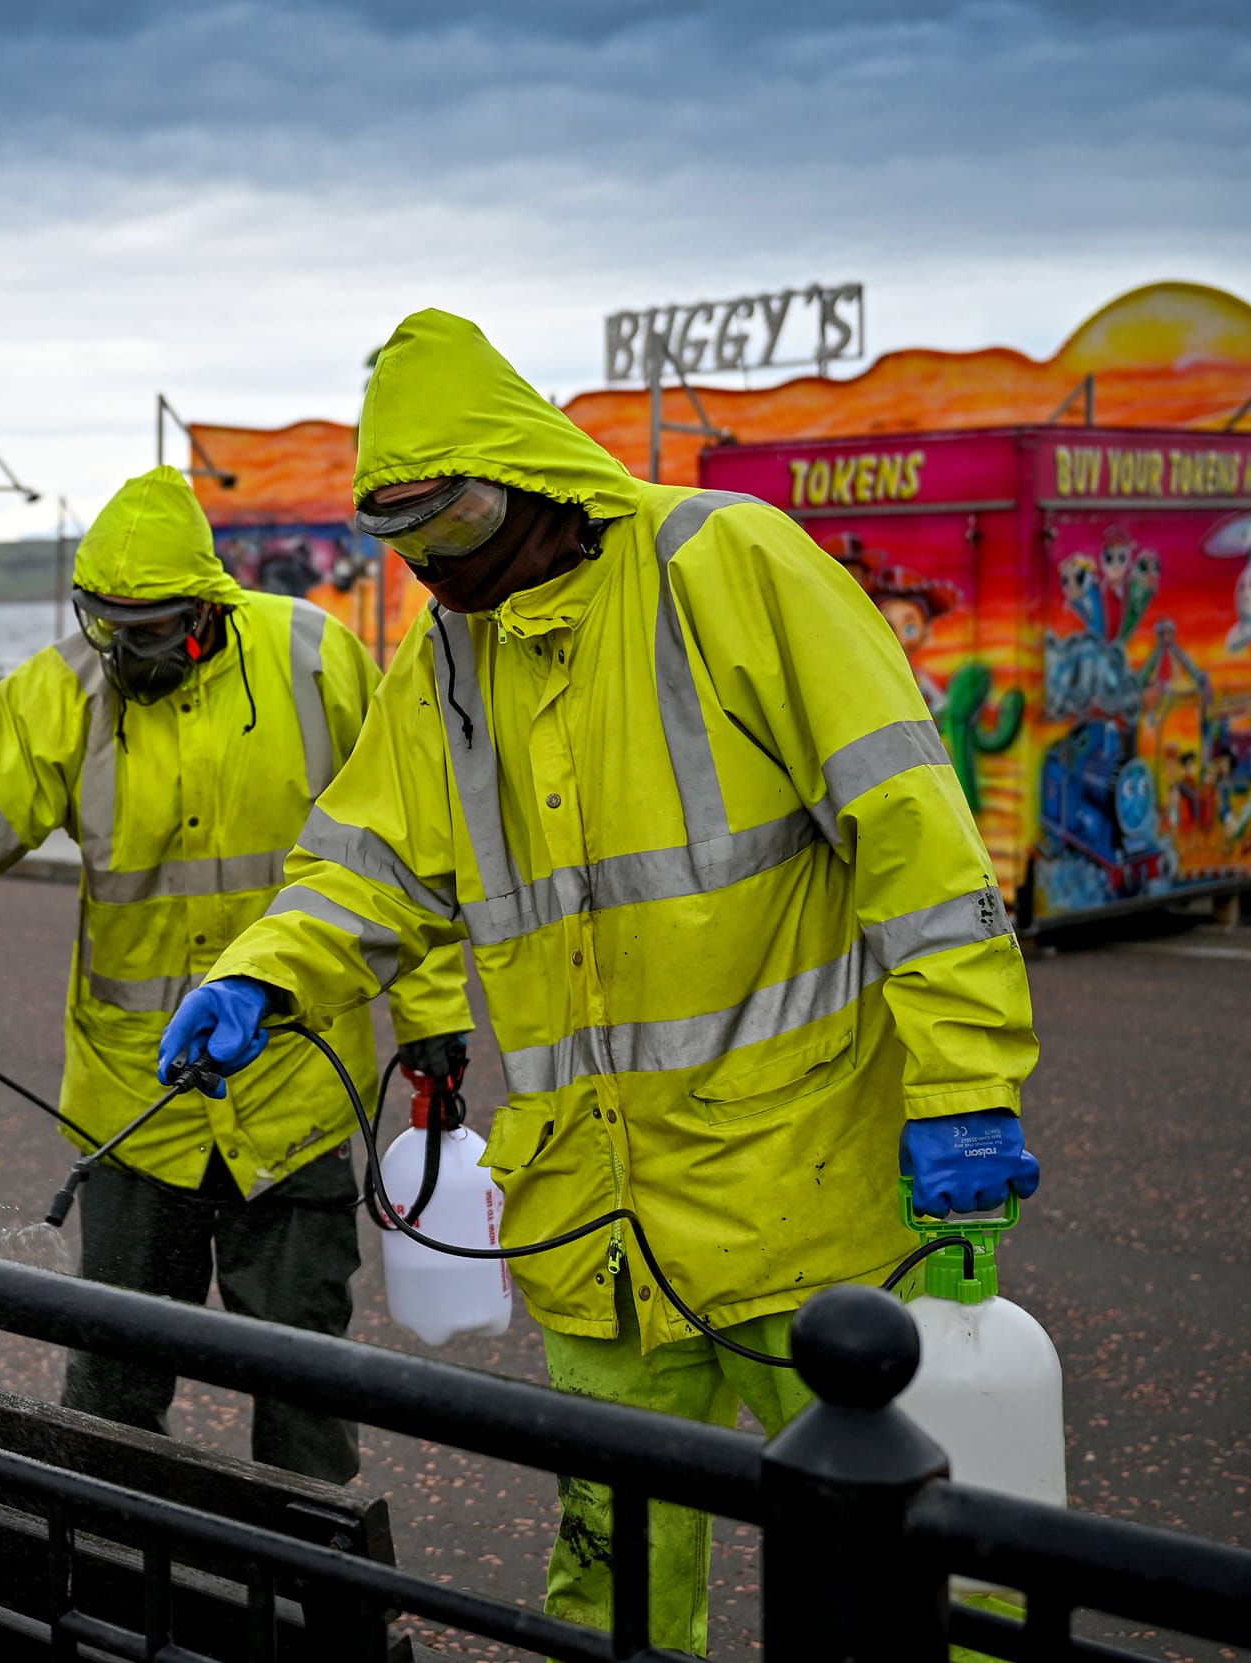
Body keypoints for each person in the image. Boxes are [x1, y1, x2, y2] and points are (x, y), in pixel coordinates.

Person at [159, 312, 1041, 1653]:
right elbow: (366, 867)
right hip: (598, 1227)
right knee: (613, 1582)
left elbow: (915, 839)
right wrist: (261, 975)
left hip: (800, 1204)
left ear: (533, 476)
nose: (439, 569)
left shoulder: (726, 566)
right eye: (406, 541)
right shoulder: (446, 662)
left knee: (883, 1573)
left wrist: (966, 1083)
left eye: (457, 524)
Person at [0, 463, 471, 1484]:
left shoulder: (313, 657)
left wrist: (431, 1016)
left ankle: (307, 1576)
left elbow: (402, 845)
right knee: (110, 1396)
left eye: (146, 632)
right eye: (106, 627)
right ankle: (108, 1571)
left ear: (206, 610)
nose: (123, 652)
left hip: (291, 1096)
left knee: (306, 1393)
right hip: (134, 1108)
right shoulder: (63, 690)